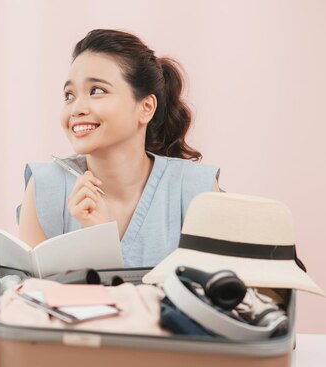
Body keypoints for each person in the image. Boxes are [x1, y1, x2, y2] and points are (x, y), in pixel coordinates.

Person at [18, 29, 220, 268]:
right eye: (69, 95)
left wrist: (101, 241)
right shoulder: (45, 188)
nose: (76, 109)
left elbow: (213, 298)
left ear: (146, 107)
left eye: (96, 91)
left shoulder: (197, 192)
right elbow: (33, 298)